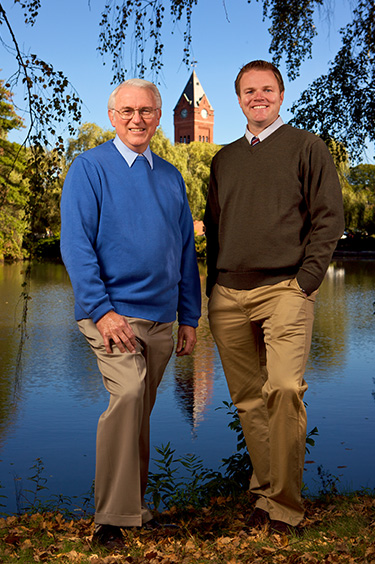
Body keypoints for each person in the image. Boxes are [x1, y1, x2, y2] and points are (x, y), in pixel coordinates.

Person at [204, 60, 344, 535]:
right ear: (238, 98)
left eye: (267, 89)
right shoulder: (223, 159)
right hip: (228, 295)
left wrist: (306, 281)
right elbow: (217, 230)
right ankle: (265, 496)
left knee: (283, 390)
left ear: (281, 95)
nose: (257, 97)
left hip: (286, 289)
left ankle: (285, 506)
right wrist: (211, 293)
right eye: (248, 90)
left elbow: (329, 219)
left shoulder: (307, 147)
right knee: (248, 401)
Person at [60, 78, 201, 549]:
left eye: (146, 111)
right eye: (127, 111)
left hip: (163, 316)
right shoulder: (89, 168)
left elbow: (185, 251)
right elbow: (76, 246)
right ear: (112, 116)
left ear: (159, 117)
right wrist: (101, 311)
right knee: (129, 394)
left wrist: (189, 316)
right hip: (112, 314)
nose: (136, 119)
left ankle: (134, 510)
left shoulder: (170, 176)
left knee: (139, 409)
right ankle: (111, 518)